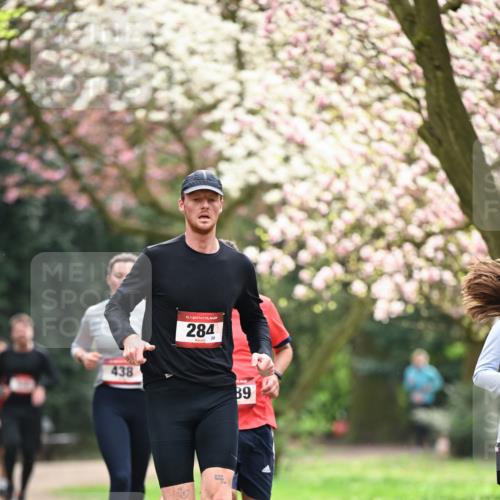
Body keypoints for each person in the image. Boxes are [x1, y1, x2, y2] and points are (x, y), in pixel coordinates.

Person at [105, 170, 274, 500]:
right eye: (197, 199)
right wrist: (128, 338)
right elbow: (117, 307)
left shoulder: (238, 265)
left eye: (211, 199)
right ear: (182, 204)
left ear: (221, 206)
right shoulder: (157, 258)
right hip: (167, 394)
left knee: (218, 494)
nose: (204, 206)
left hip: (217, 393)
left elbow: (256, 318)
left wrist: (263, 349)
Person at [71, 253, 150, 500]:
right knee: (121, 476)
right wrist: (83, 356)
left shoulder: (153, 312)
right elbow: (77, 345)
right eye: (119, 276)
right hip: (109, 399)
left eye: (130, 276)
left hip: (145, 400)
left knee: (137, 481)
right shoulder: (95, 313)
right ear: (109, 280)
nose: (124, 281)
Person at [0, 313, 58, 500]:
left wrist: (42, 387)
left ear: (32, 332)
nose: (21, 334)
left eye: (25, 330)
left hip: (33, 411)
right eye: (18, 330)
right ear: (12, 334)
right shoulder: (5, 356)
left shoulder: (40, 355)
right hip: (10, 409)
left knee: (29, 452)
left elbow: (53, 377)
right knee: (10, 444)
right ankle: (9, 484)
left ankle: (22, 490)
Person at [403, 348, 443, 446]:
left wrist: (428, 390)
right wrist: (411, 386)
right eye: (417, 360)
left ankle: (428, 443)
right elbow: (407, 386)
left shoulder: (431, 371)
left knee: (428, 423)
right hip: (415, 401)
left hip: (428, 400)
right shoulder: (410, 370)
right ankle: (418, 444)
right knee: (416, 424)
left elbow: (438, 384)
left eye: (421, 360)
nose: (419, 362)